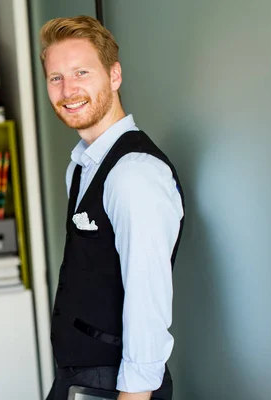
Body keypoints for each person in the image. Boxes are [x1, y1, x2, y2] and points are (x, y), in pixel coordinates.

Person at [40, 15, 185, 400]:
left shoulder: (134, 174)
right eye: (56, 78)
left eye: (81, 72)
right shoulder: (81, 166)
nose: (68, 89)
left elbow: (147, 298)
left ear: (114, 75)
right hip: (80, 379)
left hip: (121, 385)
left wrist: (133, 396)